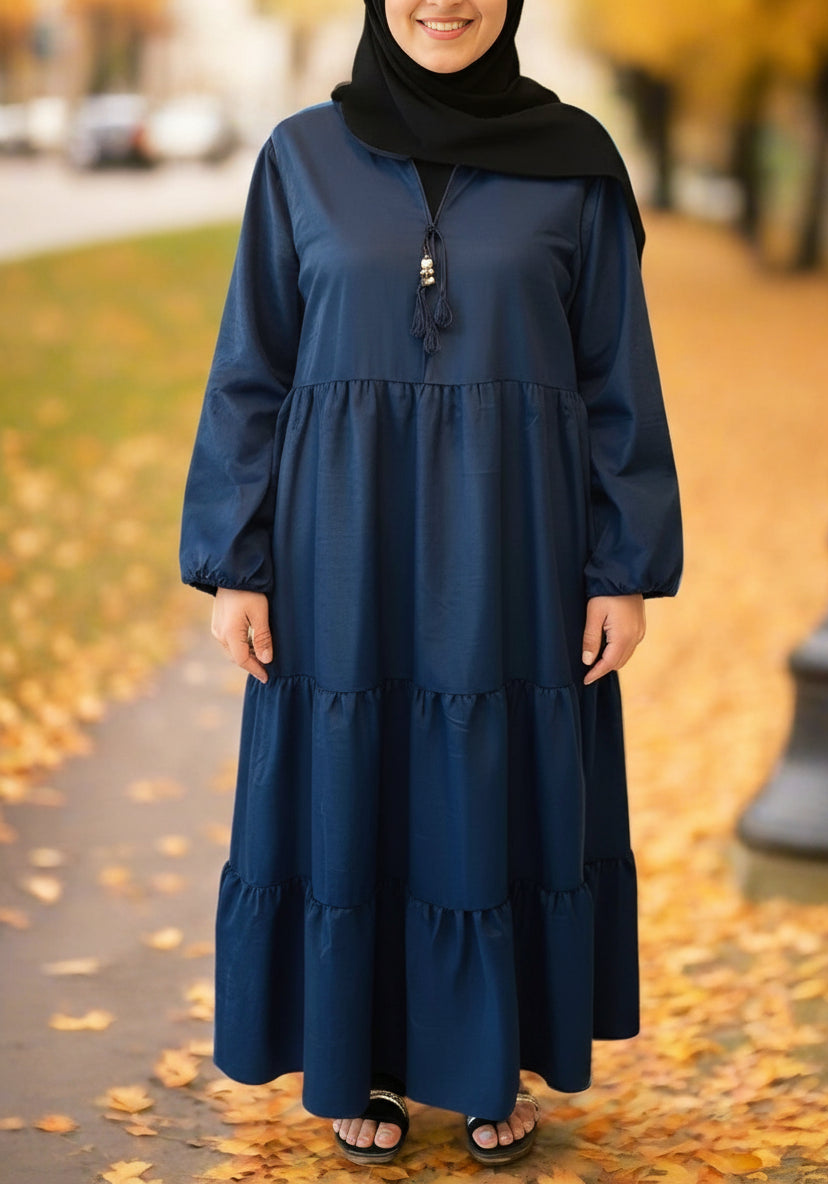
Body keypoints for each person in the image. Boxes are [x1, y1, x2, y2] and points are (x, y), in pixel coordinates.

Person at [180, 0, 683, 1168]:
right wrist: (233, 564)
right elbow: (249, 368)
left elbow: (619, 375)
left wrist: (626, 566)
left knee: (493, 780)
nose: (442, 1)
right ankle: (358, 1067)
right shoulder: (298, 156)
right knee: (357, 786)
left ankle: (490, 1061)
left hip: (519, 543)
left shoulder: (579, 164)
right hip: (337, 549)